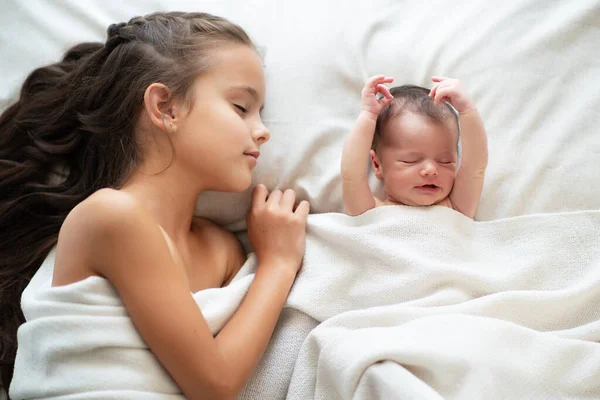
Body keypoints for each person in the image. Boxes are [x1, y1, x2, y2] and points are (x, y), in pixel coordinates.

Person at [0, 12, 309, 399]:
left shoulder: (224, 251)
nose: (262, 131)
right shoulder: (110, 216)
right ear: (165, 107)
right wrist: (278, 265)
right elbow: (215, 385)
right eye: (241, 107)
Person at [341, 75, 488, 218]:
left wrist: (468, 111)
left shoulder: (456, 208)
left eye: (445, 161)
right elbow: (351, 175)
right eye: (411, 160)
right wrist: (368, 115)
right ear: (377, 164)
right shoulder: (370, 212)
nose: (431, 170)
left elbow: (475, 167)